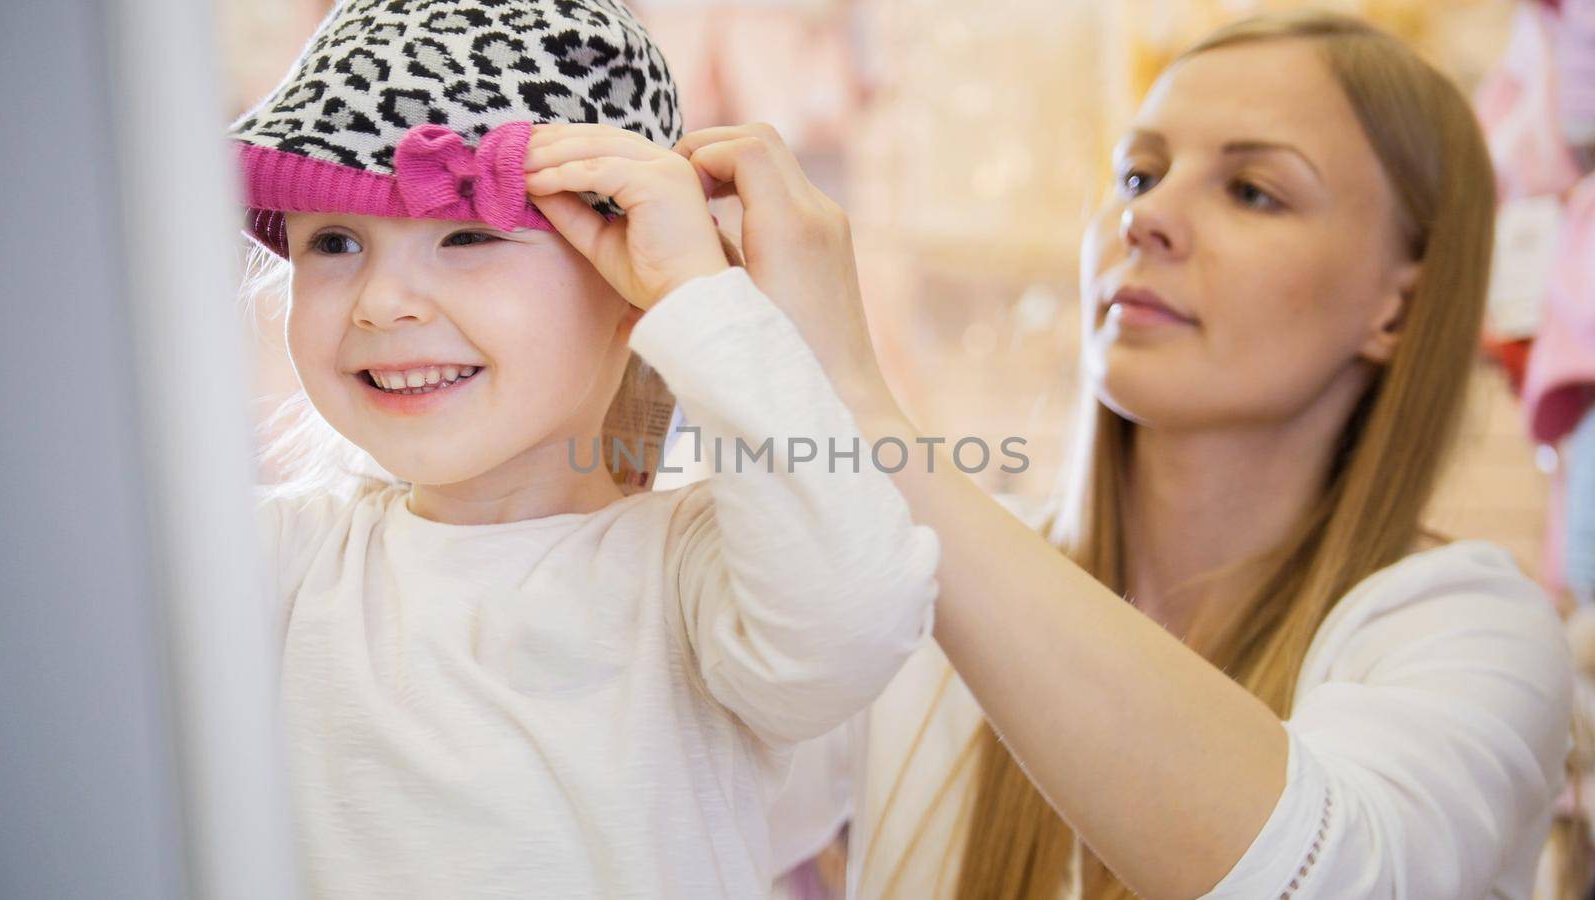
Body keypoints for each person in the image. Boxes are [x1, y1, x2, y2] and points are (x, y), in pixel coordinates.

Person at [675, 11, 1577, 899]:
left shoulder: (1467, 630)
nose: (1148, 221)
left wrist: (856, 408)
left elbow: (1322, 878)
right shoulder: (894, 596)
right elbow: (664, 802)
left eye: (1253, 191)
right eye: (1139, 174)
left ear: (1397, 308)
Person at [232, 1, 939, 896]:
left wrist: (704, 297)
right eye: (334, 241)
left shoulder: (690, 578)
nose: (382, 303)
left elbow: (855, 621)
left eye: (468, 236)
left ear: (629, 286)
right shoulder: (283, 566)